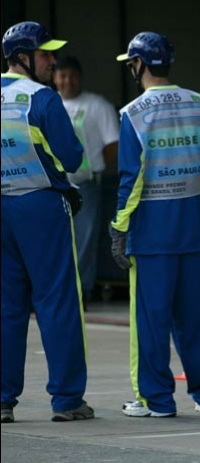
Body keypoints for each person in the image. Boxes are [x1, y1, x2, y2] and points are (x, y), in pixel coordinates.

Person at [110, 32, 200, 418]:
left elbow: (132, 177)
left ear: (139, 65)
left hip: (153, 233)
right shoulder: (199, 105)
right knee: (196, 318)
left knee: (151, 321)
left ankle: (156, 400)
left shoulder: (135, 112)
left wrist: (119, 226)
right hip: (195, 227)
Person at [1, 21, 94, 423]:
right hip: (41, 205)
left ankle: (3, 400)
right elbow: (73, 158)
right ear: (23, 57)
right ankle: (67, 399)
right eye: (45, 54)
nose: (52, 61)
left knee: (6, 307)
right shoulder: (42, 98)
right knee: (58, 301)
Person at [53, 56, 119, 306]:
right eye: (62, 75)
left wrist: (94, 164)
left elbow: (113, 143)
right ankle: (59, 291)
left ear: (79, 77)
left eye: (71, 75)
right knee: (56, 238)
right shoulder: (47, 103)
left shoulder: (97, 105)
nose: (67, 81)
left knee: (85, 238)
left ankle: (81, 292)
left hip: (86, 184)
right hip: (53, 185)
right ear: (54, 77)